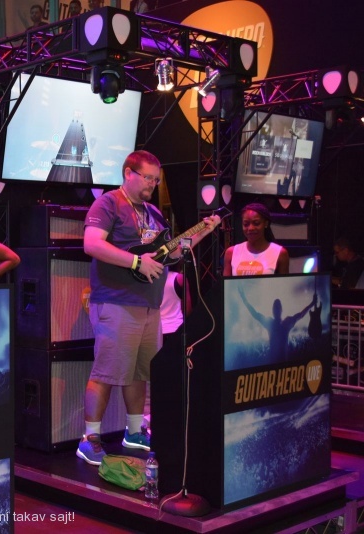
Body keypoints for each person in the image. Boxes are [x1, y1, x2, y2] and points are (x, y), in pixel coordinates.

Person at [77, 150, 220, 466]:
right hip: (116, 301)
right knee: (105, 371)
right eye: (147, 178)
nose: (153, 185)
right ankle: (90, 439)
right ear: (128, 173)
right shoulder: (109, 203)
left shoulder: (153, 212)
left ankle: (134, 431)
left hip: (149, 305)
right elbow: (92, 244)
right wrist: (136, 262)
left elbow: (171, 253)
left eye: (156, 180)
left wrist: (202, 232)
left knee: (140, 371)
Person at [238, 289, 317, 363]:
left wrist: (312, 303)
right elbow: (255, 314)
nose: (276, 310)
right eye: (275, 308)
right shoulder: (275, 323)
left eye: (277, 307)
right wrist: (244, 299)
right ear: (273, 310)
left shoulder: (284, 323)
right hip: (274, 362)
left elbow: (301, 314)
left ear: (281, 310)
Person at [223, 203, 289, 276]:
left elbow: (284, 282)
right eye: (246, 224)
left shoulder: (280, 253)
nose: (251, 228)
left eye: (256, 223)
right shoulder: (231, 253)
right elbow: (226, 283)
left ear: (266, 223)